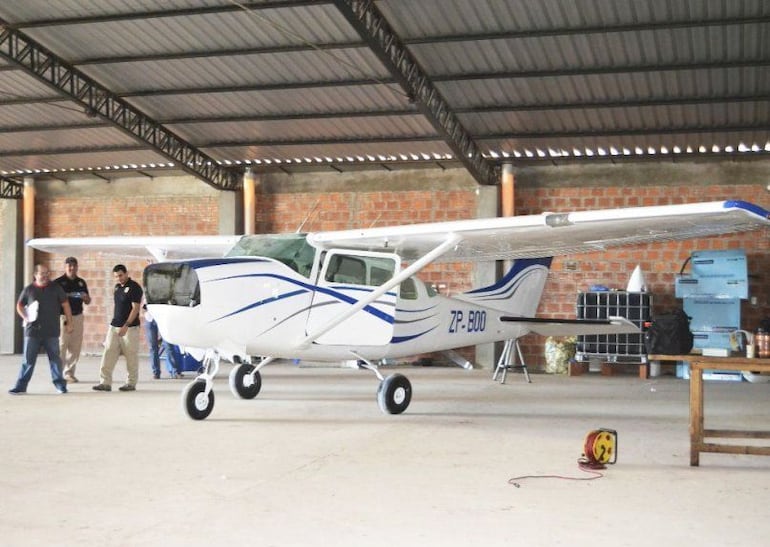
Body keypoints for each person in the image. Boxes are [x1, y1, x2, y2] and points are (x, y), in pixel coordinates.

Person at [10, 264, 73, 394]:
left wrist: (69, 322)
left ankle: (60, 385)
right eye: (42, 273)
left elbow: (66, 305)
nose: (45, 276)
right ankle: (21, 386)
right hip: (32, 331)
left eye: (47, 273)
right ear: (35, 274)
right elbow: (19, 305)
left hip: (51, 331)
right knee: (28, 360)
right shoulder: (29, 289)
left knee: (55, 360)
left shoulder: (56, 288)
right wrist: (26, 317)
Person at [93, 264, 142, 392]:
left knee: (131, 355)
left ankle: (131, 383)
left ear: (126, 273)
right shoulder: (117, 288)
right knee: (108, 352)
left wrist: (126, 325)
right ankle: (105, 382)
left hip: (130, 328)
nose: (119, 278)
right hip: (115, 326)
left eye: (120, 275)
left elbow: (136, 308)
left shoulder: (134, 287)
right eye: (116, 276)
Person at [54, 256, 91, 383]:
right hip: (62, 317)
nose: (72, 268)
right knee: (62, 345)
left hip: (78, 316)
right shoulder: (58, 282)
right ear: (65, 267)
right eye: (69, 266)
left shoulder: (81, 282)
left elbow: (88, 301)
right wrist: (73, 295)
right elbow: (56, 300)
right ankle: (57, 374)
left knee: (75, 347)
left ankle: (69, 373)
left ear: (77, 267)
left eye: (74, 266)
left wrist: (85, 298)